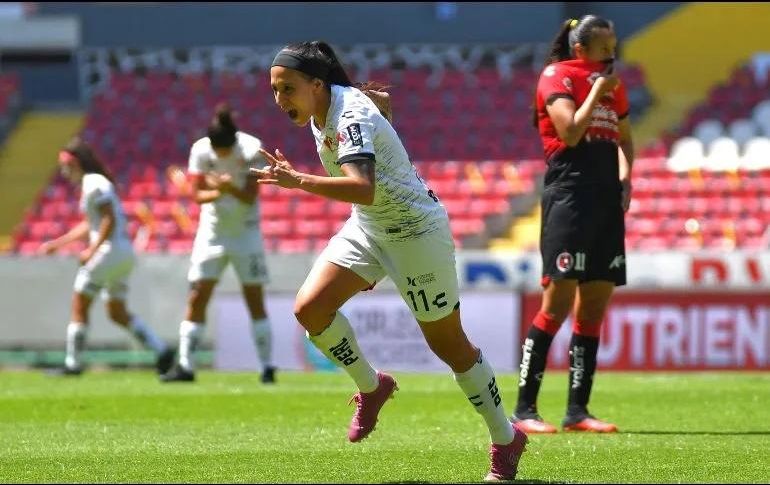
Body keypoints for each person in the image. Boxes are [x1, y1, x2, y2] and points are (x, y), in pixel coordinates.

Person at [252, 41, 527, 481]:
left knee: (449, 346)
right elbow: (378, 120)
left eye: (287, 89)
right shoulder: (326, 108)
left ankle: (506, 437)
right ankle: (373, 386)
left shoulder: (350, 114)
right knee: (310, 309)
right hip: (369, 228)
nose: (279, 100)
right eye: (275, 90)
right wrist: (382, 111)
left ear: (316, 85)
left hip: (416, 233)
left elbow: (363, 186)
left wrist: (297, 181)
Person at [512, 15, 634, 434]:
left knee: (596, 303)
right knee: (557, 303)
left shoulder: (613, 84)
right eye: (604, 47)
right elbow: (570, 132)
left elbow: (624, 138)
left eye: (614, 45)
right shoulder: (557, 76)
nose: (612, 53)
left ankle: (577, 411)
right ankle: (525, 410)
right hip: (570, 197)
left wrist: (625, 176)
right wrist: (598, 90)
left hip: (605, 201)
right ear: (581, 49)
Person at [38, 137, 175, 376]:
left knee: (80, 304)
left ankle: (73, 363)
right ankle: (160, 349)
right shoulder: (94, 183)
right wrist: (58, 244)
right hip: (122, 253)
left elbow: (109, 219)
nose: (63, 171)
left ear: (76, 163)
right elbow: (91, 224)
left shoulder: (93, 183)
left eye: (66, 165)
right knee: (117, 313)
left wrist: (92, 249)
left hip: (108, 251)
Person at [160, 104, 276, 384]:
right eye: (217, 152)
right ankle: (186, 366)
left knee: (254, 299)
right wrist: (217, 190)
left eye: (223, 152)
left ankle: (267, 367)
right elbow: (197, 196)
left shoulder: (251, 148)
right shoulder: (201, 150)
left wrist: (229, 188)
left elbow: (250, 196)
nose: (219, 156)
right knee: (198, 294)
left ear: (233, 145)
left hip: (246, 233)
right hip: (211, 233)